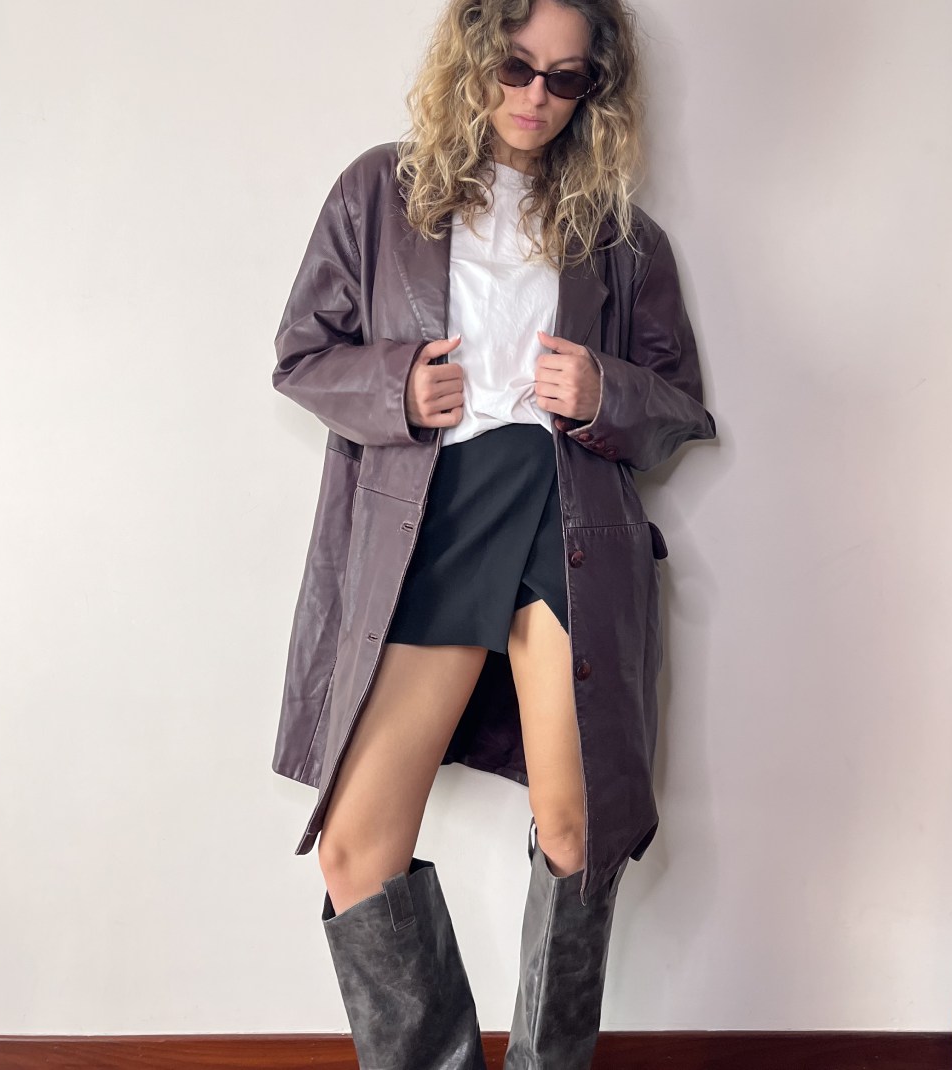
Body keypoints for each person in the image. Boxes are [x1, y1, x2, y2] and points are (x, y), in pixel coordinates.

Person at [270, 0, 716, 1066]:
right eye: (516, 67)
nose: (535, 98)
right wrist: (395, 384)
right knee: (355, 848)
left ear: (593, 91)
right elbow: (301, 354)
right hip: (431, 519)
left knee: (576, 830)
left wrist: (605, 391)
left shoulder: (619, 236)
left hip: (567, 520)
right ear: (474, 55)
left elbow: (679, 406)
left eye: (566, 79)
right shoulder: (379, 192)